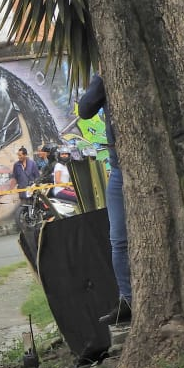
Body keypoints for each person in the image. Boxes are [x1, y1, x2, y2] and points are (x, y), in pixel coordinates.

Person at [79, 74, 132, 324]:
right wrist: (100, 80)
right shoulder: (108, 75)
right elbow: (85, 109)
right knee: (119, 240)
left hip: (139, 165)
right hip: (120, 168)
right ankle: (128, 300)